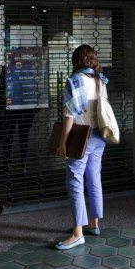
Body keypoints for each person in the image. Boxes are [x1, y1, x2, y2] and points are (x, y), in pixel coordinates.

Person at [54, 44, 108, 250]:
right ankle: (94, 223)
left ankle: (77, 233)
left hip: (81, 137)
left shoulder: (74, 81)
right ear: (92, 60)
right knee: (94, 177)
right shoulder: (100, 80)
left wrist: (62, 144)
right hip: (99, 136)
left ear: (76, 60)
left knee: (75, 181)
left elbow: (70, 116)